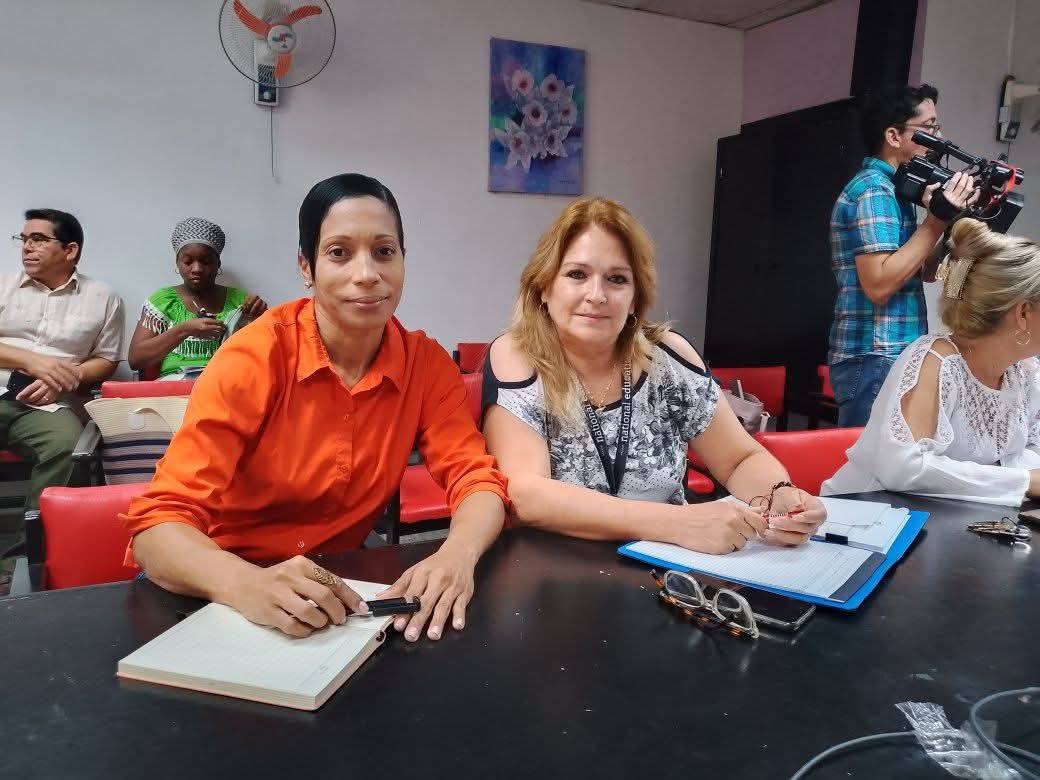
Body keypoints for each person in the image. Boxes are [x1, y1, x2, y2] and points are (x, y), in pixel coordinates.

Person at [122, 174, 508, 641]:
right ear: (307, 267)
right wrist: (247, 584)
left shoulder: (424, 365)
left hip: (330, 596)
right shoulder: (255, 357)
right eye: (339, 253)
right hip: (211, 586)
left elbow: (476, 479)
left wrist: (456, 555)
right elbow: (157, 529)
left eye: (384, 251)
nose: (367, 274)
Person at [482, 197, 826, 554]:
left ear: (634, 298)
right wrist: (678, 524)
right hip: (551, 571)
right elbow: (527, 495)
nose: (596, 295)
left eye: (617, 279)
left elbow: (739, 459)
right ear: (544, 287)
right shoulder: (517, 355)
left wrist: (780, 496)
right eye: (577, 275)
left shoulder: (670, 358)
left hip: (668, 569)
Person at [824, 218, 1040, 505]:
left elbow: (1027, 451)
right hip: (868, 524)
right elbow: (902, 468)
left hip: (954, 522)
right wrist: (1023, 481)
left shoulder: (1023, 371)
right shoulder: (936, 360)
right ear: (1023, 313)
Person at [828, 84, 977, 426]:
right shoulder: (873, 190)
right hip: (875, 354)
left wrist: (948, 220)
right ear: (894, 136)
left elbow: (922, 271)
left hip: (891, 353)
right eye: (930, 129)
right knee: (870, 476)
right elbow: (879, 284)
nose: (939, 139)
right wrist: (935, 222)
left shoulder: (897, 190)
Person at [0, 209, 125, 517]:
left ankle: (32, 552)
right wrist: (34, 361)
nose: (27, 247)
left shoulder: (103, 297)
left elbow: (106, 359)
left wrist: (71, 376)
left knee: (69, 448)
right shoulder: (3, 286)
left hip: (46, 404)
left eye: (39, 239)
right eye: (24, 239)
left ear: (71, 250)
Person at [128, 218, 268, 379]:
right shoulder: (163, 301)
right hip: (173, 389)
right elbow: (136, 359)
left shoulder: (240, 302)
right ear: (177, 263)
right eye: (188, 261)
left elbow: (265, 357)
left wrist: (259, 319)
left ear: (218, 263)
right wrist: (185, 329)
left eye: (206, 262)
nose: (197, 269)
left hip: (226, 383)